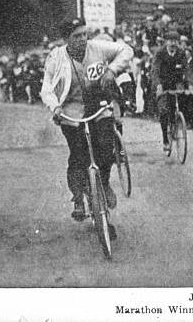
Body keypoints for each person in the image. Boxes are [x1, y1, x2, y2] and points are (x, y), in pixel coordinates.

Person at [40, 17, 133, 235]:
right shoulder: (56, 57)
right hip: (71, 111)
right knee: (78, 155)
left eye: (84, 34)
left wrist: (112, 70)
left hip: (98, 107)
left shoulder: (98, 48)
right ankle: (78, 198)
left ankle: (104, 184)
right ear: (66, 39)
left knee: (105, 148)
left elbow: (126, 50)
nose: (83, 39)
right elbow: (46, 88)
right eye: (77, 36)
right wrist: (54, 107)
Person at [151, 31, 193, 152]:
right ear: (166, 42)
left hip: (176, 84)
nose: (173, 44)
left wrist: (190, 85)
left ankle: (178, 122)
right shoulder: (160, 53)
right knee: (163, 111)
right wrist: (158, 85)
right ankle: (165, 138)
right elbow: (155, 70)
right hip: (162, 85)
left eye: (175, 41)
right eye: (170, 41)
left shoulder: (181, 53)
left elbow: (187, 70)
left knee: (181, 104)